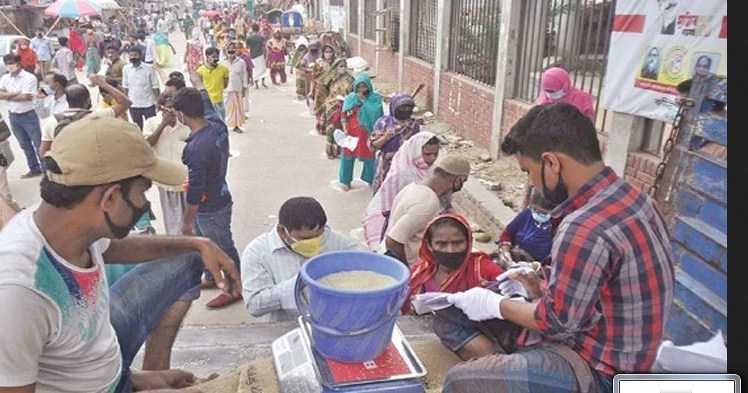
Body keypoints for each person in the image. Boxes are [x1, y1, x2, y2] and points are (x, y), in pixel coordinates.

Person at [439, 102, 674, 393]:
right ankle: (509, 373)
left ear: (552, 163)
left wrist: (494, 304)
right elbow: (596, 288)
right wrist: (539, 284)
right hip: (621, 347)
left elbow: (558, 323)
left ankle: (505, 374)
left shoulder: (583, 226)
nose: (531, 184)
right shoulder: (634, 198)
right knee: (451, 310)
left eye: (528, 172)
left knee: (458, 381)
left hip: (602, 371)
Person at [0, 114, 241, 393]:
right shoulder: (18, 292)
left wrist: (198, 243)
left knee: (189, 257)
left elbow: (116, 247)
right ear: (110, 198)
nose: (144, 204)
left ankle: (153, 366)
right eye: (142, 193)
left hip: (106, 362)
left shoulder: (64, 223)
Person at [175, 74, 242, 309]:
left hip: (209, 204)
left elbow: (195, 190)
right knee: (209, 241)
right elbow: (204, 99)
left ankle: (234, 288)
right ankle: (214, 277)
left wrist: (186, 221)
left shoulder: (196, 148)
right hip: (221, 193)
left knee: (221, 244)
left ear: (181, 115)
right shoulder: (217, 125)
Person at [242, 197, 360, 322]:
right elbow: (254, 305)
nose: (313, 243)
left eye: (318, 237)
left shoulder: (340, 243)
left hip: (331, 322)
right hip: (285, 326)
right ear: (282, 231)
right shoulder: (257, 253)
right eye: (304, 239)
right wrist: (298, 283)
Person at [401, 213, 504, 315]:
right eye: (441, 244)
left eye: (458, 243)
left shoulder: (483, 270)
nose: (450, 250)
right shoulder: (420, 272)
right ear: (429, 245)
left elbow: (511, 298)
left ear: (468, 242)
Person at [384, 154, 471, 266]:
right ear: (458, 180)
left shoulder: (414, 187)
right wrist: (407, 274)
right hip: (407, 265)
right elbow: (393, 241)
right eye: (463, 182)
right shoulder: (427, 202)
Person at [362, 131, 441, 248]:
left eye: (435, 154)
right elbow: (387, 209)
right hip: (395, 224)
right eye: (427, 154)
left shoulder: (430, 170)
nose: (432, 158)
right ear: (416, 151)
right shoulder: (401, 174)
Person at [40, 75, 132, 157]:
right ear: (88, 100)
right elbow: (126, 102)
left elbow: (43, 153)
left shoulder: (52, 122)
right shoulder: (98, 115)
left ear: (67, 101)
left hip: (69, 171)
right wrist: (103, 84)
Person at [338, 73, 383, 191]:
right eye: (359, 86)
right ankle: (345, 180)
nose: (362, 89)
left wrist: (378, 132)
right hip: (352, 133)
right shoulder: (350, 98)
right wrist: (345, 128)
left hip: (367, 133)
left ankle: (370, 179)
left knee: (370, 157)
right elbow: (343, 115)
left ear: (369, 86)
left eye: (364, 86)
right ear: (355, 86)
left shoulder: (375, 98)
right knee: (347, 156)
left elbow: (379, 116)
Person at [0, 54, 43, 178]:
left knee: (38, 143)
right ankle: (34, 168)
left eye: (12, 63)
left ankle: (46, 170)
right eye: (7, 63)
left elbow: (26, 97)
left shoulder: (29, 77)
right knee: (24, 144)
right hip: (13, 117)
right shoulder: (5, 78)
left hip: (28, 115)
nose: (10, 66)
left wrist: (7, 95)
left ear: (19, 63)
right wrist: (14, 94)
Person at [370, 93, 421, 193]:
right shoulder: (384, 123)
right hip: (386, 165)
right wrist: (386, 137)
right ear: (394, 107)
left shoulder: (414, 125)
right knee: (384, 193)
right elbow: (372, 146)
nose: (406, 111)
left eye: (408, 108)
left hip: (406, 164)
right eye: (402, 108)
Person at [496, 189, 557, 268]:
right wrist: (505, 251)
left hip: (538, 266)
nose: (537, 214)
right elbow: (507, 233)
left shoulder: (557, 224)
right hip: (515, 257)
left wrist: (536, 266)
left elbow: (555, 258)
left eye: (543, 213)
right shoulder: (527, 214)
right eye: (535, 209)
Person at [320, 58, 354, 159]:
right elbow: (323, 89)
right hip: (331, 106)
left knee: (341, 128)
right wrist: (328, 100)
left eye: (344, 66)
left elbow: (353, 92)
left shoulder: (350, 79)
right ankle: (329, 151)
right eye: (340, 66)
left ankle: (338, 151)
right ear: (336, 67)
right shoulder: (330, 78)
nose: (342, 68)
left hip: (345, 106)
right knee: (331, 128)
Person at [122, 46, 160, 130]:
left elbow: (155, 86)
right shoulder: (126, 69)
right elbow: (125, 86)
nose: (133, 57)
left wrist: (158, 101)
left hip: (148, 104)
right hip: (133, 104)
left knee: (152, 127)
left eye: (135, 55)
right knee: (137, 128)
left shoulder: (149, 68)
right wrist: (125, 101)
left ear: (140, 55)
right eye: (131, 56)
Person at [197, 47, 229, 120]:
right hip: (207, 102)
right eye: (213, 57)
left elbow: (225, 85)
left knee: (221, 121)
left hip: (220, 100)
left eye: (217, 56)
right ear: (207, 57)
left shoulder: (224, 69)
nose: (216, 59)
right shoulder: (200, 71)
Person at [222, 42, 248, 134]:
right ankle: (225, 126)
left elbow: (244, 75)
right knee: (226, 109)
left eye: (233, 49)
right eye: (229, 50)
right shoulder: (222, 63)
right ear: (225, 51)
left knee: (237, 109)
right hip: (226, 90)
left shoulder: (241, 62)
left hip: (237, 89)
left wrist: (244, 88)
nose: (231, 51)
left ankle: (236, 126)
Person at [310, 44, 337, 135]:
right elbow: (313, 77)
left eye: (330, 52)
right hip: (320, 90)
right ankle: (320, 127)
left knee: (330, 109)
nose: (328, 54)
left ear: (333, 53)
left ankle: (329, 128)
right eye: (326, 52)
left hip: (332, 90)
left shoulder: (336, 63)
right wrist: (312, 91)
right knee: (320, 109)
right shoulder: (318, 62)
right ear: (323, 53)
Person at [246, 24, 268, 88]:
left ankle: (256, 84)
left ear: (252, 29)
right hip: (260, 55)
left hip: (252, 55)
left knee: (255, 69)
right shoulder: (261, 37)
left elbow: (247, 47)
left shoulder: (249, 38)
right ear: (258, 29)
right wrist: (265, 55)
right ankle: (263, 82)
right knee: (262, 69)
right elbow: (264, 46)